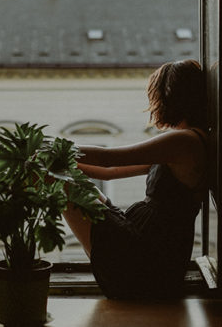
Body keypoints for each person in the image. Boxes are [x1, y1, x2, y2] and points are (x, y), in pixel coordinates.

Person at [63, 59, 212, 300]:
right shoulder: (187, 141)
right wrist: (63, 165)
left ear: (168, 98)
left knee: (62, 184)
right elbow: (107, 172)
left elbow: (108, 158)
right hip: (149, 246)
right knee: (68, 180)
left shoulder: (184, 142)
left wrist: (58, 150)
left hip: (148, 257)